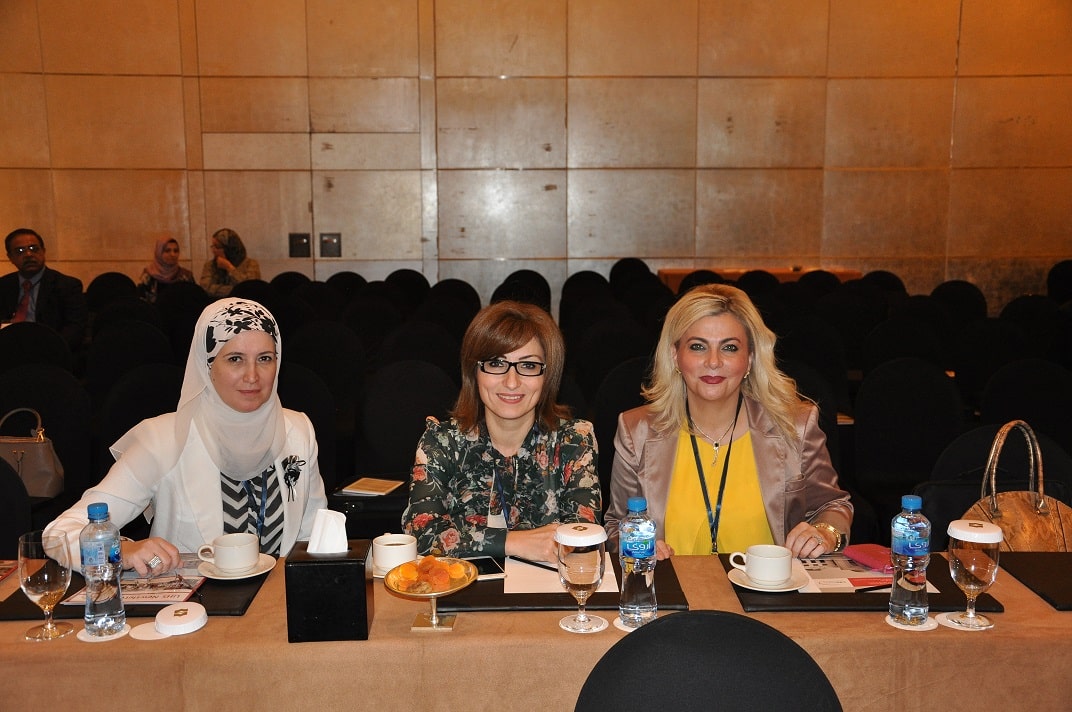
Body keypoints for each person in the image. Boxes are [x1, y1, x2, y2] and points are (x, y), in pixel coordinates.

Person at [45, 298, 327, 574]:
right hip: (195, 601)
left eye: (264, 359)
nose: (252, 376)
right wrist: (120, 550)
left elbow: (314, 535)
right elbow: (60, 534)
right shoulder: (162, 439)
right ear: (207, 366)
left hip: (279, 598)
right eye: (235, 359)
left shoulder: (298, 429)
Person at [605, 284, 852, 560]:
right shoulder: (636, 430)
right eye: (698, 347)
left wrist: (825, 532)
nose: (713, 362)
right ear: (675, 356)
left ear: (750, 359)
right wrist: (636, 544)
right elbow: (616, 526)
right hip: (670, 585)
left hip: (771, 585)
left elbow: (833, 505)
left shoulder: (795, 426)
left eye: (729, 348)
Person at [402, 300, 601, 562]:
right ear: (474, 372)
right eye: (496, 363)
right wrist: (513, 542)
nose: (511, 382)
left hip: (546, 585)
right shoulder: (441, 441)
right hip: (462, 586)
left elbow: (583, 535)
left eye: (528, 366)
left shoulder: (574, 440)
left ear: (548, 376)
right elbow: (420, 534)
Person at [1, 227, 88, 352]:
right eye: (20, 251)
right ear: (10, 257)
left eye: (34, 249)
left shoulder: (67, 286)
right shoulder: (3, 285)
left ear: (43, 251)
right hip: (9, 350)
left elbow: (75, 328)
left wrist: (47, 349)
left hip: (50, 350)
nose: (28, 255)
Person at [200, 228, 260, 298]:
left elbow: (251, 289)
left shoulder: (251, 264)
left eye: (217, 247)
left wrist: (229, 268)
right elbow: (206, 289)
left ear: (229, 248)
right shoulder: (210, 265)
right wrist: (235, 290)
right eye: (213, 246)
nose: (213, 250)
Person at [137, 236, 195, 303]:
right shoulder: (148, 276)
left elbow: (194, 299)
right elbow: (141, 302)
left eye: (176, 251)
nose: (173, 254)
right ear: (159, 253)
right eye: (167, 251)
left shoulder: (185, 276)